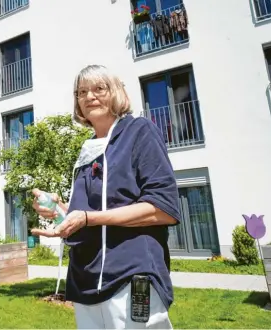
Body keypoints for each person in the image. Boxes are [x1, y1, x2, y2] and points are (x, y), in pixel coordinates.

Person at [31, 64, 181, 329]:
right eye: (82, 92)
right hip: (84, 283)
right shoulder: (87, 150)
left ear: (116, 93)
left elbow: (164, 209)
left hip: (130, 274)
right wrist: (61, 211)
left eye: (99, 88)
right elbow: (88, 216)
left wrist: (88, 218)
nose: (90, 96)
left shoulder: (139, 131)